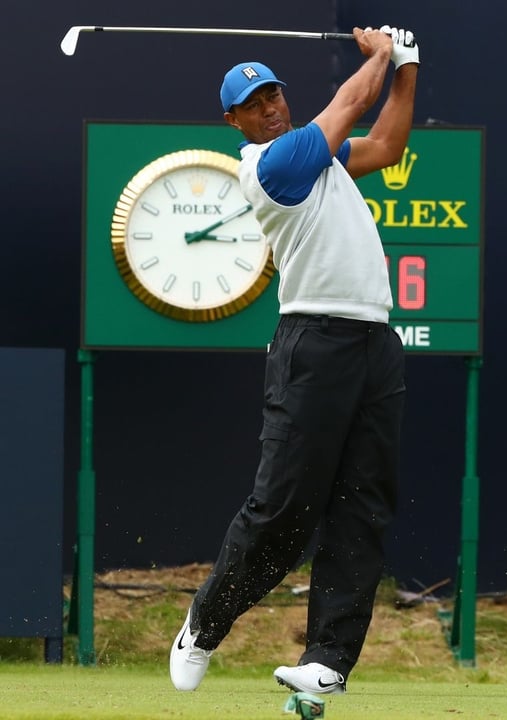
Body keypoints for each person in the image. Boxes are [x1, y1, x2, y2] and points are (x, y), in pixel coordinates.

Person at [168, 25, 419, 694]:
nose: (270, 107)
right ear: (236, 122)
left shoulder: (327, 159)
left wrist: (408, 68)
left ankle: (327, 660)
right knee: (283, 509)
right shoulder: (272, 165)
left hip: (374, 342)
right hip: (314, 342)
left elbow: (390, 144)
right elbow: (347, 107)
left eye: (274, 94)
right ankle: (206, 620)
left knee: (362, 505)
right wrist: (384, 56)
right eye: (255, 103)